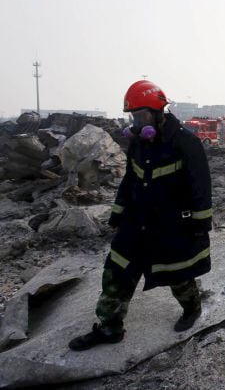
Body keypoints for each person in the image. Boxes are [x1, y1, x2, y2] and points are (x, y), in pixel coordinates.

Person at [69, 80, 213, 351]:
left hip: (171, 224)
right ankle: (110, 327)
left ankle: (191, 308)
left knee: (177, 273)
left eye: (141, 115)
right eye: (133, 116)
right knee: (117, 270)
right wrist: (117, 215)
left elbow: (201, 187)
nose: (136, 122)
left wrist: (200, 224)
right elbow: (129, 181)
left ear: (158, 112)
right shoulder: (138, 143)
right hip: (136, 222)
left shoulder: (186, 142)